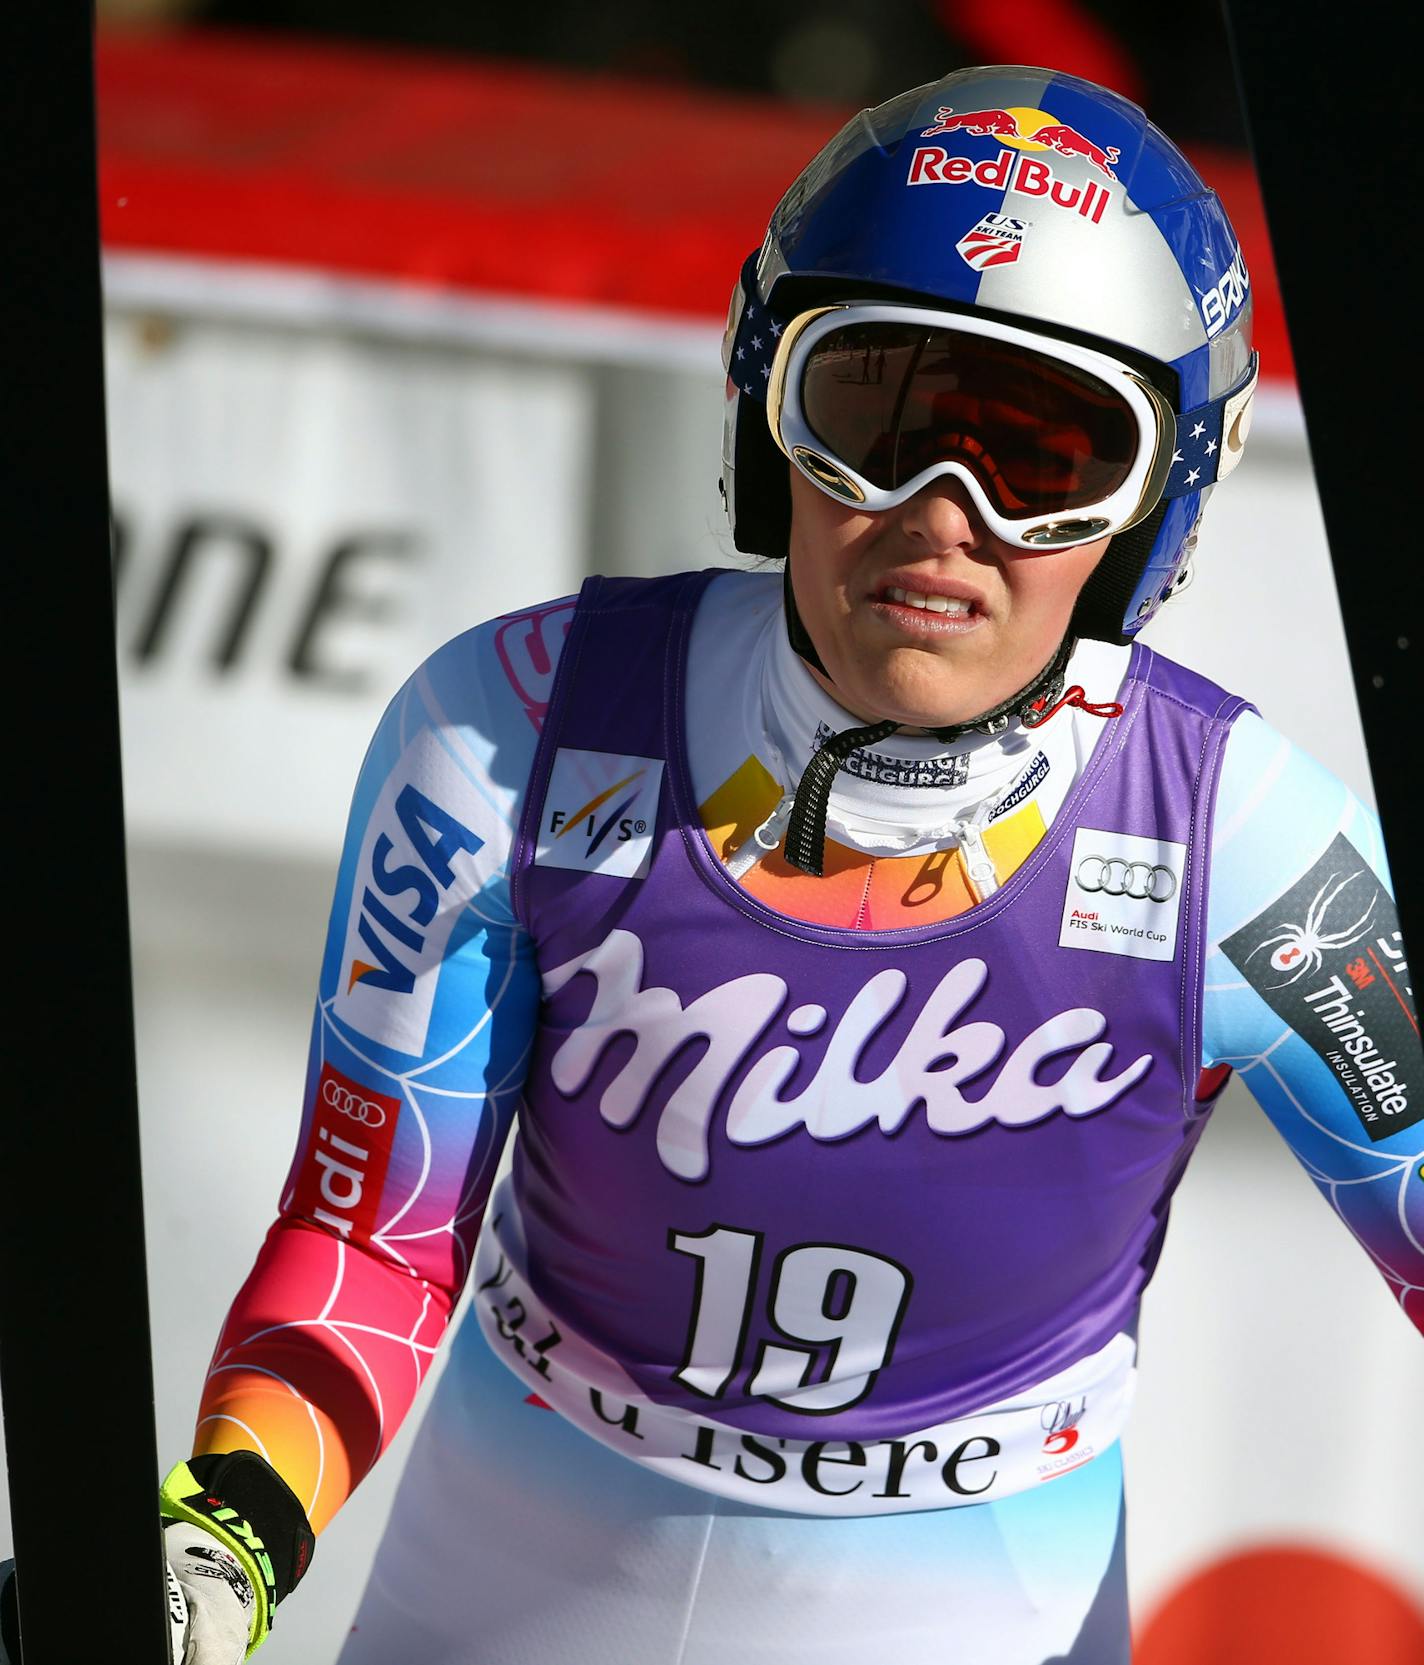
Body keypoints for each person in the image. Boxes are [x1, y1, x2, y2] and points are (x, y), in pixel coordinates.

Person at [9, 61, 1416, 1665]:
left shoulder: (1243, 841)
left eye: (1041, 453)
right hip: (523, 1564)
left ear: (1157, 503)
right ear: (765, 413)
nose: (942, 515)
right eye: (874, 413)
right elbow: (371, 1237)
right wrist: (222, 1541)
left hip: (977, 1604)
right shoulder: (505, 735)